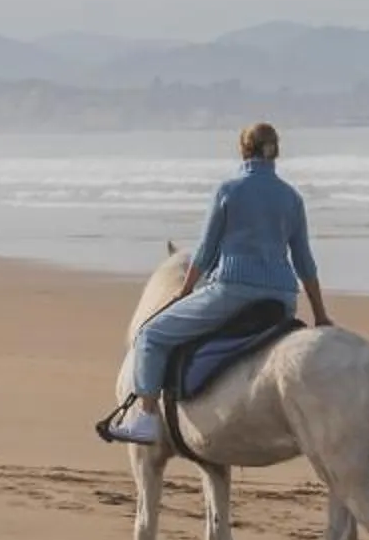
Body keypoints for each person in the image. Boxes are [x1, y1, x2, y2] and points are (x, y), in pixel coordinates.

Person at [112, 122, 329, 443]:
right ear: (275, 152)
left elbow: (205, 252)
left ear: (243, 150)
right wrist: (320, 314)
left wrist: (184, 292)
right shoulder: (292, 197)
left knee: (151, 334)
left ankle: (146, 419)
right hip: (282, 298)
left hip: (233, 292)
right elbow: (304, 262)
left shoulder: (229, 191)